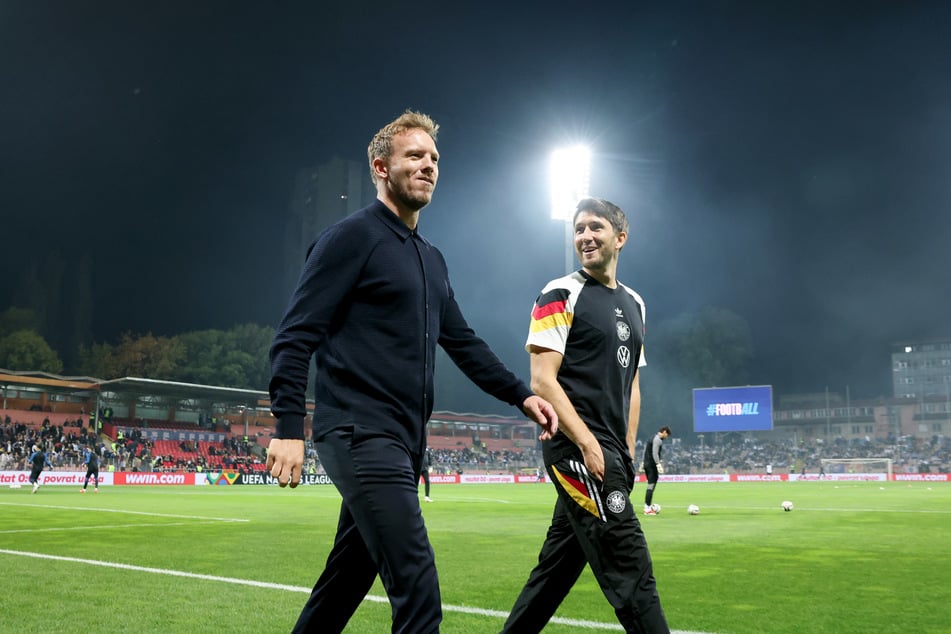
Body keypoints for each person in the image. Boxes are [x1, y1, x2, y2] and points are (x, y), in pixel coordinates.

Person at [265, 109, 558, 634]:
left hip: (401, 441)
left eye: (434, 158)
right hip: (359, 433)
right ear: (381, 167)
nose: (428, 166)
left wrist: (521, 396)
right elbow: (294, 336)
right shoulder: (350, 238)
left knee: (343, 585)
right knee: (419, 594)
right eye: (414, 156)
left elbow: (463, 342)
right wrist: (288, 427)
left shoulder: (431, 258)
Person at [502, 198, 669, 633]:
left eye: (595, 227)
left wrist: (627, 450)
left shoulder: (636, 303)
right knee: (631, 566)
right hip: (576, 449)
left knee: (554, 573)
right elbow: (542, 381)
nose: (585, 237)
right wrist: (590, 444)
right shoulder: (559, 292)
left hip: (612, 453)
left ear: (620, 237)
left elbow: (632, 382)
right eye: (578, 229)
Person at [643, 426, 671, 515]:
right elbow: (654, 453)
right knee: (651, 485)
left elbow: (646, 451)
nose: (666, 437)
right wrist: (658, 464)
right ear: (664, 432)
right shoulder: (657, 439)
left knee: (652, 484)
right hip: (652, 465)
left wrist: (643, 463)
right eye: (667, 435)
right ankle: (647, 509)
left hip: (647, 464)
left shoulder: (651, 438)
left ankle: (648, 506)